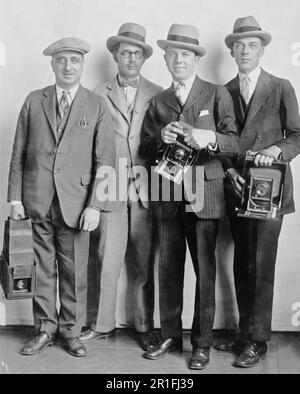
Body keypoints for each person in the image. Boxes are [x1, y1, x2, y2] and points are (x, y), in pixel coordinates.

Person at [7, 37, 115, 357]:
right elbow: (18, 154)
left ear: (82, 65)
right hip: (36, 200)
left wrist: (95, 205)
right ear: (52, 64)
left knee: (74, 271)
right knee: (40, 269)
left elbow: (106, 161)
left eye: (74, 61)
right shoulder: (33, 100)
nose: (68, 67)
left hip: (77, 204)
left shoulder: (95, 104)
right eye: (61, 61)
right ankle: (44, 329)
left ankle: (71, 331)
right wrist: (15, 199)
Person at [140, 23, 239, 369]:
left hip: (205, 197)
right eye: (173, 54)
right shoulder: (159, 101)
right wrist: (159, 139)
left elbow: (235, 141)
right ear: (165, 59)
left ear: (196, 59)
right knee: (167, 270)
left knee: (205, 272)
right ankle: (168, 334)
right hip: (167, 196)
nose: (179, 59)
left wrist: (208, 136)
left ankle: (202, 344)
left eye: (186, 54)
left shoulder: (216, 94)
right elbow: (145, 149)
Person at [215, 16, 300, 368]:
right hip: (238, 187)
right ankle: (244, 331)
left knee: (261, 265)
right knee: (241, 262)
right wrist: (231, 171)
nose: (245, 50)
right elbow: (221, 142)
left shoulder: (281, 86)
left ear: (262, 50)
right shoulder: (223, 91)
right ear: (232, 51)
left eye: (252, 45)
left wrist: (276, 151)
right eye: (240, 45)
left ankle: (258, 340)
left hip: (271, 189)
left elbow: (297, 135)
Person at [79, 23, 163, 351]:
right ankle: (101, 324)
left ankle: (143, 325)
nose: (131, 58)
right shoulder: (97, 94)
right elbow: (89, 145)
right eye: (125, 52)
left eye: (137, 53)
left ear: (144, 58)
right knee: (105, 258)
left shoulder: (158, 94)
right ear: (115, 55)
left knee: (143, 260)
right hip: (109, 186)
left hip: (146, 188)